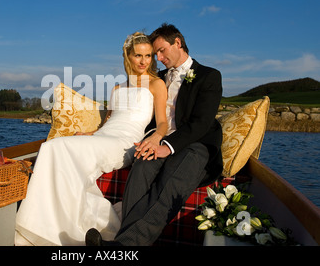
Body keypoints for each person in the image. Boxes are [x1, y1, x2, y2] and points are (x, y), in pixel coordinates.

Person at [15, 32, 168, 246]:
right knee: (51, 147)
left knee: (60, 148)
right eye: (138, 55)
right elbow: (108, 122)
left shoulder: (156, 84)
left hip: (127, 142)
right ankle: (42, 227)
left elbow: (162, 122)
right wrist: (90, 134)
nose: (144, 61)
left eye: (148, 56)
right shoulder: (117, 88)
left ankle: (66, 232)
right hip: (105, 136)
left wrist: (156, 138)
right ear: (128, 56)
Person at [86, 23, 223, 246]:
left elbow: (201, 123)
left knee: (171, 180)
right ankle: (126, 239)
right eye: (155, 53)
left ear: (177, 43)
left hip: (196, 144)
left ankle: (123, 247)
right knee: (141, 166)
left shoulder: (209, 76)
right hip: (158, 138)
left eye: (161, 51)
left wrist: (166, 146)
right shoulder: (157, 78)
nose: (157, 58)